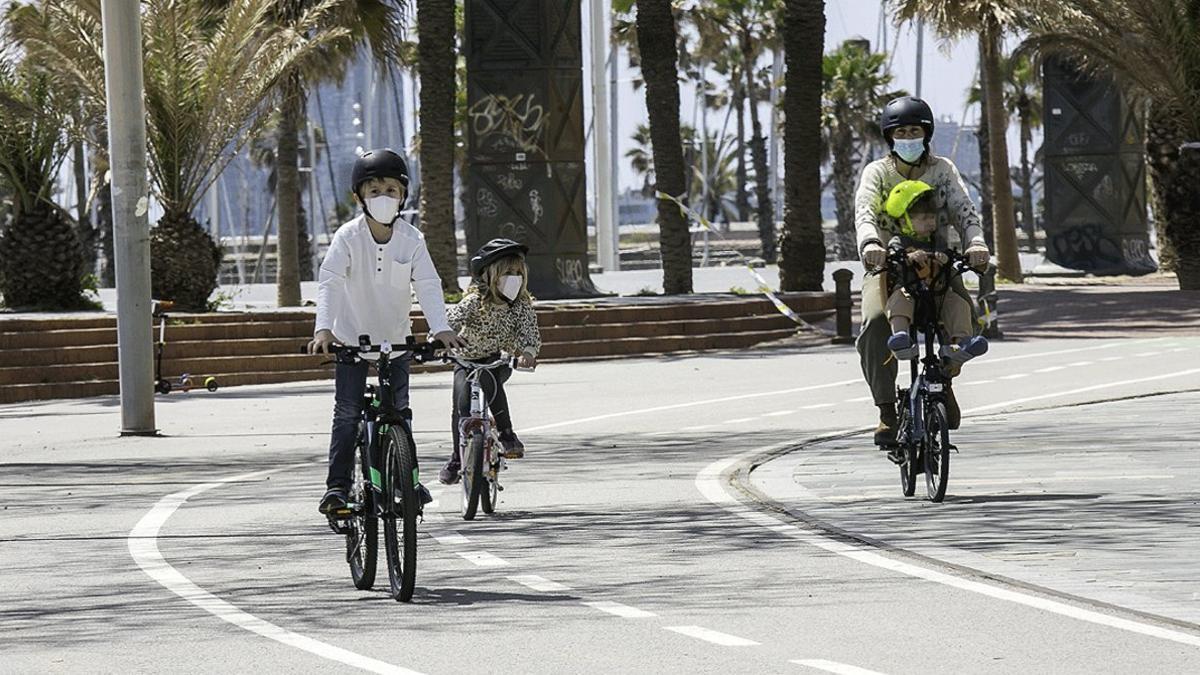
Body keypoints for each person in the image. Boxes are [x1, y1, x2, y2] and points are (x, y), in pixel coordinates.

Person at [309, 148, 467, 514]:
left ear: (404, 196)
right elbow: (330, 281)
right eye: (374, 191)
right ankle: (338, 487)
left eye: (391, 191)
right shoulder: (347, 237)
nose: (384, 198)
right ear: (359, 197)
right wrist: (324, 330)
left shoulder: (412, 239)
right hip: (350, 340)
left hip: (396, 343)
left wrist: (440, 328)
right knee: (347, 412)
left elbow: (427, 282)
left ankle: (406, 483)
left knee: (400, 412)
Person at [854, 97, 991, 444]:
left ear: (926, 133)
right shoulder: (877, 172)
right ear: (890, 137)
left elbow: (964, 211)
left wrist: (975, 244)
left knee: (967, 314)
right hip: (888, 266)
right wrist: (871, 245)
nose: (909, 137)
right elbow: (865, 213)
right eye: (901, 132)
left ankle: (944, 380)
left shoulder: (943, 169)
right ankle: (886, 410)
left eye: (915, 130)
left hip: (939, 263)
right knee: (873, 324)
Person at [438, 239, 541, 485]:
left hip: (497, 362)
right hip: (465, 361)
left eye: (518, 272)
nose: (514, 277)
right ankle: (456, 457)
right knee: (461, 406)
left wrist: (527, 352)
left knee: (489, 377)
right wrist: (439, 339)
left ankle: (506, 434)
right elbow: (450, 320)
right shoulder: (475, 302)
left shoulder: (520, 306)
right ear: (490, 275)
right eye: (507, 273)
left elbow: (530, 333)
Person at [880, 180, 989, 365]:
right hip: (911, 292)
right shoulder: (899, 240)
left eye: (931, 218)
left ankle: (962, 342)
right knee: (899, 299)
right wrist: (909, 256)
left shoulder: (938, 240)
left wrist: (947, 258)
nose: (930, 222)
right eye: (922, 219)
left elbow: (949, 254)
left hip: (937, 294)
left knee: (958, 303)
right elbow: (892, 254)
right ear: (903, 220)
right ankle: (901, 337)